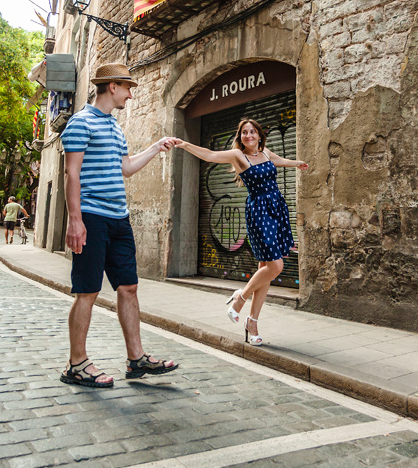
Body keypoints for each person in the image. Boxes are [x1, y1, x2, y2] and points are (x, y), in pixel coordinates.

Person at [59, 62, 179, 387]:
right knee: (88, 290)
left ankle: (136, 360)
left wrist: (156, 147)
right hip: (92, 217)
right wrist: (75, 220)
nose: (130, 95)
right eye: (127, 88)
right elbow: (72, 173)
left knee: (128, 287)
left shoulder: (114, 127)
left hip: (118, 219)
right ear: (113, 86)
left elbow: (125, 168)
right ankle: (77, 363)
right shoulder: (80, 123)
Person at [174, 118, 308, 345]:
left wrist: (297, 163)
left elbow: (280, 161)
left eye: (252, 132)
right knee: (276, 266)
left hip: (277, 209)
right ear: (241, 137)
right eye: (244, 133)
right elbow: (209, 155)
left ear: (258, 135)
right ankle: (240, 297)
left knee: (265, 269)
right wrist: (185, 145)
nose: (248, 136)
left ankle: (252, 322)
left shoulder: (265, 153)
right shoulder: (238, 156)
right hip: (259, 212)